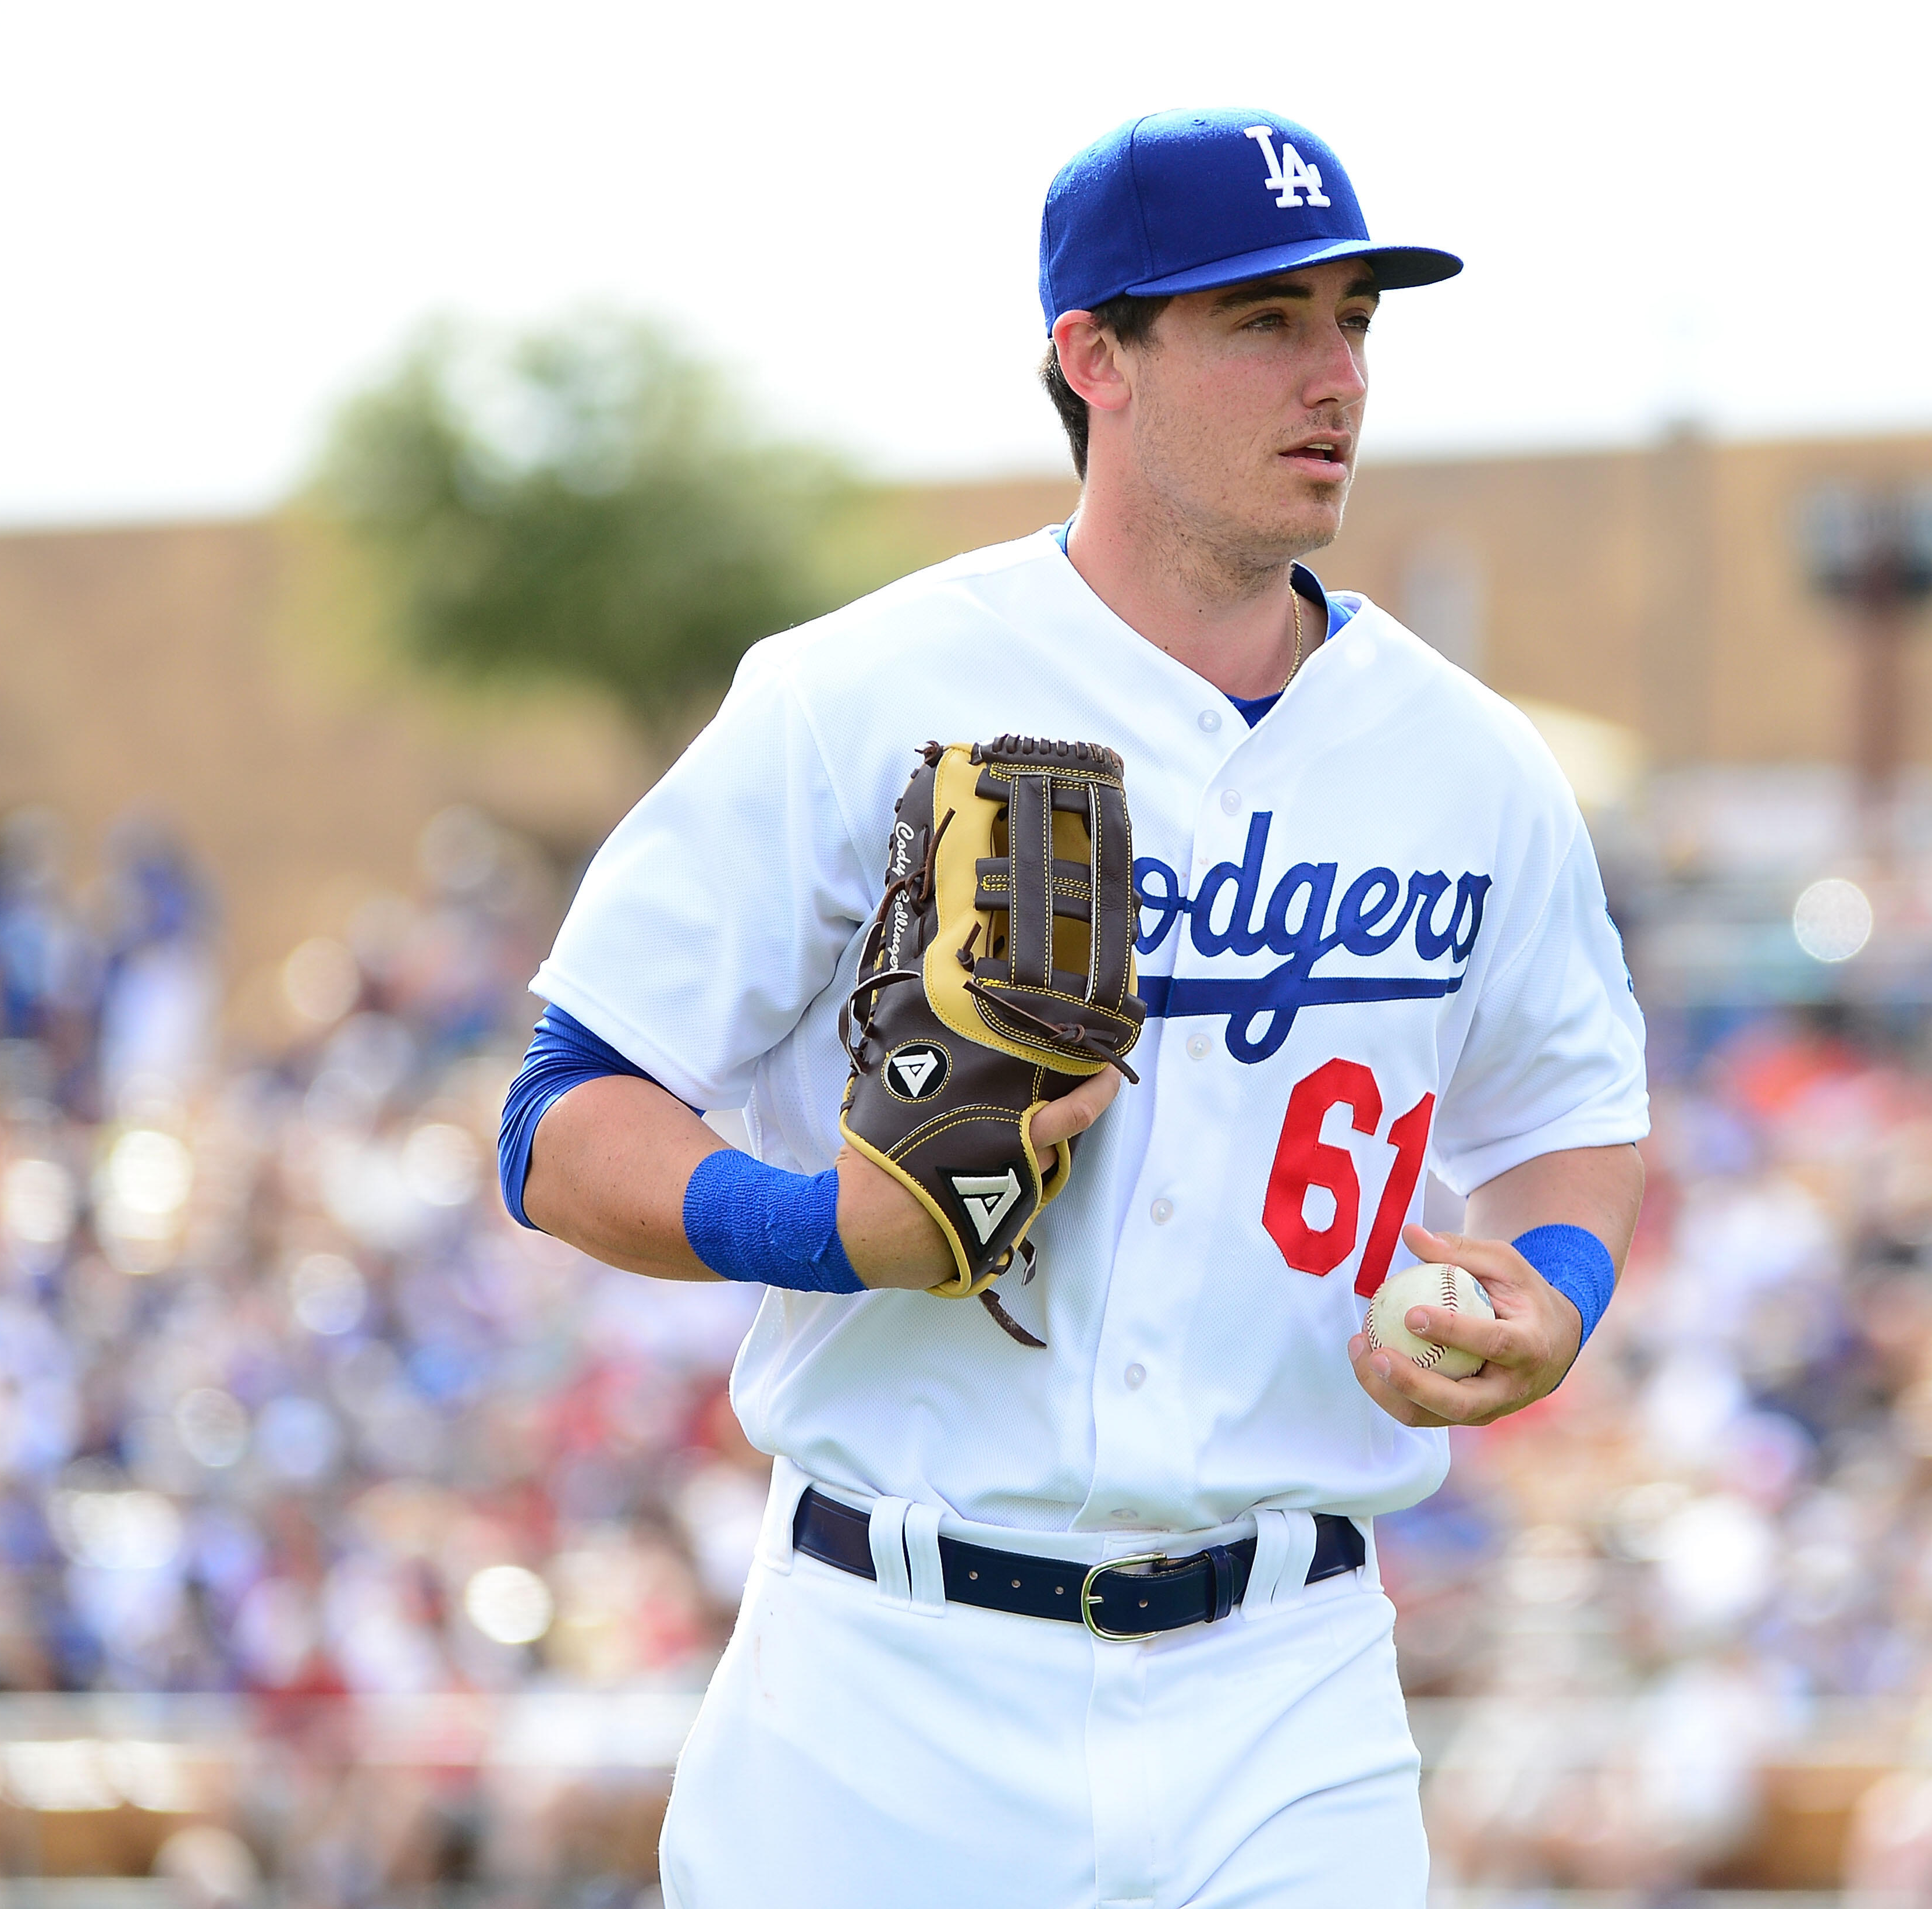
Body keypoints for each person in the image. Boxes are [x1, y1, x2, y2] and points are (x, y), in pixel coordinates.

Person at [499, 108, 1647, 1907]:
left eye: (1354, 316)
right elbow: (559, 1117)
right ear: (1090, 354)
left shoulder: (1470, 760)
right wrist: (816, 1225)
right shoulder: (852, 694)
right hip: (886, 1675)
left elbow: (1569, 1109)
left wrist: (1558, 1295)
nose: (1333, 371)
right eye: (1262, 319)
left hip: (1291, 1668)